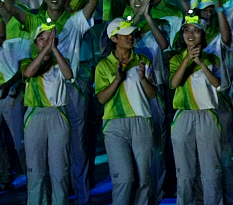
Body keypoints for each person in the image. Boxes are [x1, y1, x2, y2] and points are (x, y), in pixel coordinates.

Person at [95, 16, 157, 205]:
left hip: (141, 121)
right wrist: (117, 80)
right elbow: (101, 98)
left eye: (132, 34)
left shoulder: (143, 61)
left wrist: (144, 78)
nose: (131, 37)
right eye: (126, 35)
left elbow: (153, 94)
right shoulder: (104, 66)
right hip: (115, 124)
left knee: (144, 178)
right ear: (114, 38)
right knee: (124, 178)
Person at [167, 12, 223, 205]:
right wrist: (187, 60)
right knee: (184, 171)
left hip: (207, 115)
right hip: (183, 115)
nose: (190, 35)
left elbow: (218, 84)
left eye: (196, 31)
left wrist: (200, 63)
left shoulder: (212, 59)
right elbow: (174, 83)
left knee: (210, 171)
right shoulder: (176, 59)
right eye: (186, 31)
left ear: (204, 34)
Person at [20, 18, 74, 205]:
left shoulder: (61, 62)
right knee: (36, 170)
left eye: (50, 39)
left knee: (59, 171)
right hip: (35, 114)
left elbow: (69, 75)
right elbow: (28, 73)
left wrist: (54, 49)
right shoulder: (27, 61)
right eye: (42, 39)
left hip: (57, 114)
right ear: (36, 42)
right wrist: (45, 50)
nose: (46, 42)